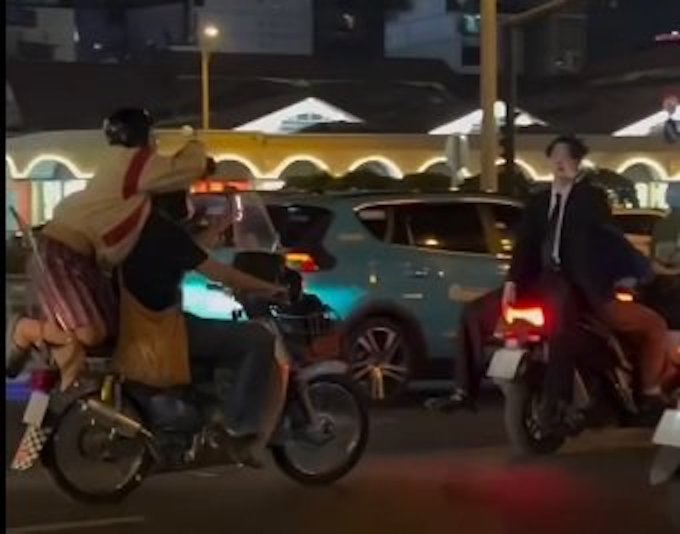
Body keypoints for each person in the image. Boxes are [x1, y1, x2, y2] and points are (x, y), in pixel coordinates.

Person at [6, 108, 212, 389]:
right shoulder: (134, 164)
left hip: (78, 258)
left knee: (109, 331)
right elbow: (186, 168)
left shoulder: (121, 167)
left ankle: (65, 358)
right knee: (90, 334)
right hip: (61, 253)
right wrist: (196, 144)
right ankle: (25, 329)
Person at [114, 189, 287, 466]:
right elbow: (220, 272)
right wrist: (270, 288)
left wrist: (222, 223)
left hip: (150, 323)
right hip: (164, 331)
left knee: (216, 331)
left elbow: (193, 251)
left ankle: (208, 409)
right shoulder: (163, 233)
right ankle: (237, 427)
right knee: (258, 337)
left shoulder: (144, 229)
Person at [502, 135, 615, 429]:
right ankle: (466, 387)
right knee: (487, 315)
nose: (560, 162)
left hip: (573, 282)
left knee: (563, 331)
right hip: (541, 280)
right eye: (555, 156)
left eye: (567, 157)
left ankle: (556, 402)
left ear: (578, 162)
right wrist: (512, 281)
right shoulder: (540, 201)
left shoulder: (590, 198)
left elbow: (604, 236)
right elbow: (525, 244)